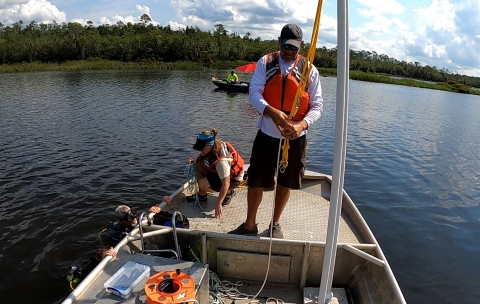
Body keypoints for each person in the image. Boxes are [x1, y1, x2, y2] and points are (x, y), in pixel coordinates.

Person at [228, 24, 324, 238]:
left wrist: (301, 125)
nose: (289, 51)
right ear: (279, 41)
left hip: (295, 138)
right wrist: (272, 112)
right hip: (267, 134)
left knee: (285, 182)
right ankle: (249, 225)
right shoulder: (266, 62)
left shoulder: (309, 70)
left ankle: (275, 224)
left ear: (302, 46)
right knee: (255, 181)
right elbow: (254, 93)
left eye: (295, 47)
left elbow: (318, 106)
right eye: (286, 46)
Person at [181, 128, 245, 219]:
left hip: (233, 180)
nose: (200, 150)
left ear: (209, 145)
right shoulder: (212, 147)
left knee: (201, 183)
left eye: (201, 147)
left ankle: (228, 193)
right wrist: (195, 161)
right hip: (222, 174)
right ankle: (202, 196)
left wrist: (218, 203)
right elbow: (202, 158)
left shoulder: (221, 160)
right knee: (199, 164)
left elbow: (225, 184)